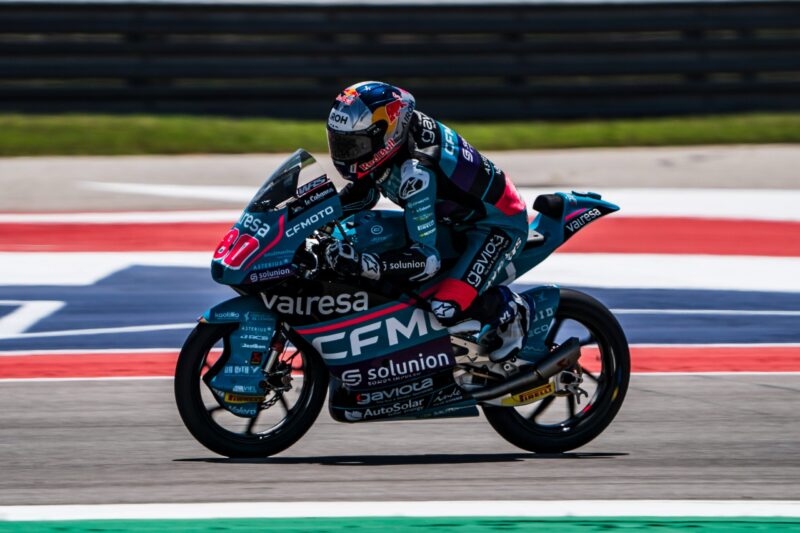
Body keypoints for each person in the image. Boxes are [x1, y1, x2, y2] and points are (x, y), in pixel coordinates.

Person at [323, 81, 532, 362]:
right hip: (450, 218)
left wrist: (365, 264)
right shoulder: (394, 139)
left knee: (445, 307)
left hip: (496, 225)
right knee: (364, 236)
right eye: (339, 143)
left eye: (354, 145)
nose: (345, 154)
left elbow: (425, 259)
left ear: (386, 134)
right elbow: (364, 193)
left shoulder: (417, 172)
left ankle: (511, 309)